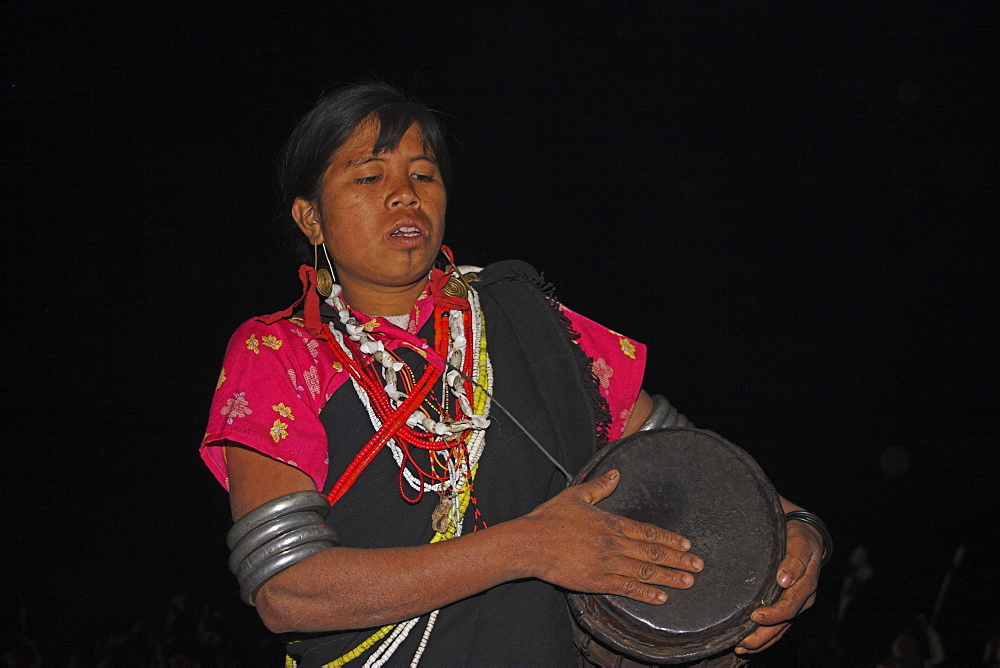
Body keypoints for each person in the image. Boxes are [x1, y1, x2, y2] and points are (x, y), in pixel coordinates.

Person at [201, 82, 828, 667]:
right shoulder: (280, 352)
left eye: (423, 173)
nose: (405, 193)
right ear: (310, 219)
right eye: (370, 176)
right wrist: (530, 546)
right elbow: (289, 592)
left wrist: (798, 536)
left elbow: (686, 470)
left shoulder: (533, 322)